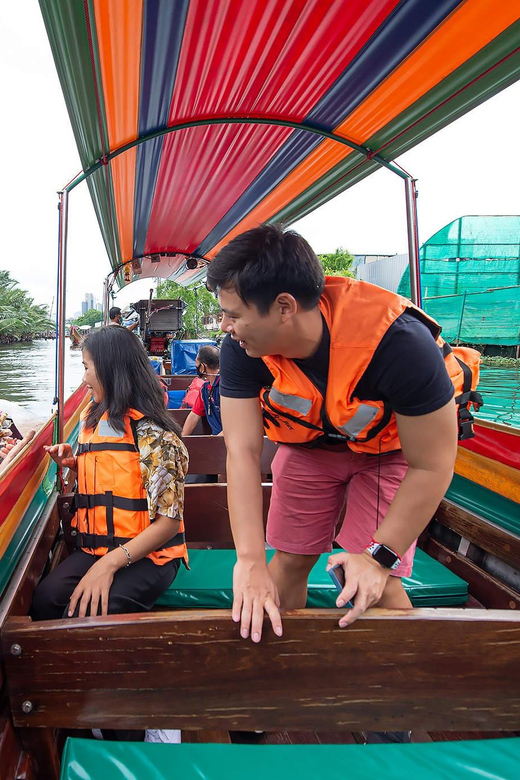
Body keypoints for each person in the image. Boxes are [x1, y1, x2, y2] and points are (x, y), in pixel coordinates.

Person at [206, 223, 458, 646]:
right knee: (284, 565)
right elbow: (243, 452)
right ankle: (282, 667)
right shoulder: (241, 349)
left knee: (375, 581)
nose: (226, 327)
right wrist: (249, 560)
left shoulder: (400, 344)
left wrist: (378, 559)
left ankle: (406, 684)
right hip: (309, 449)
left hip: (387, 452)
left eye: (233, 314)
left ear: (284, 307)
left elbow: (433, 463)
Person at [33, 326, 188, 743]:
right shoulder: (92, 420)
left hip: (149, 556)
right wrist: (72, 462)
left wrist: (108, 564)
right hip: (98, 547)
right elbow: (105, 479)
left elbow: (168, 523)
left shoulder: (156, 435)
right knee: (46, 601)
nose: (83, 377)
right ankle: (85, 701)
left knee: (90, 615)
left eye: (86, 367)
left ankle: (138, 715)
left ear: (112, 370)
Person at [181, 345, 222, 436]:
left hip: (232, 441)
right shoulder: (205, 389)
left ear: (202, 367)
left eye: (196, 362)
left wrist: (215, 442)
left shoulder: (226, 388)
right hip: (217, 440)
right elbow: (195, 414)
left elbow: (234, 426)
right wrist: (182, 438)